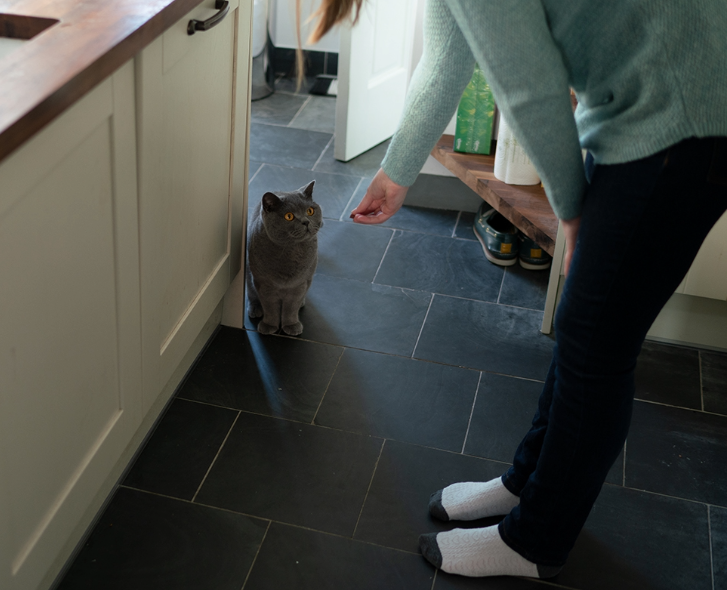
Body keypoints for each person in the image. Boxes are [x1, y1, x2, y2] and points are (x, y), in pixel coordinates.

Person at [307, 0, 727, 579]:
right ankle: (526, 483)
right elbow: (450, 51)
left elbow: (532, 89)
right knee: (584, 332)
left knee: (597, 349)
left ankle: (535, 542)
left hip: (688, 118)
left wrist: (570, 214)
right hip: (655, 108)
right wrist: (398, 169)